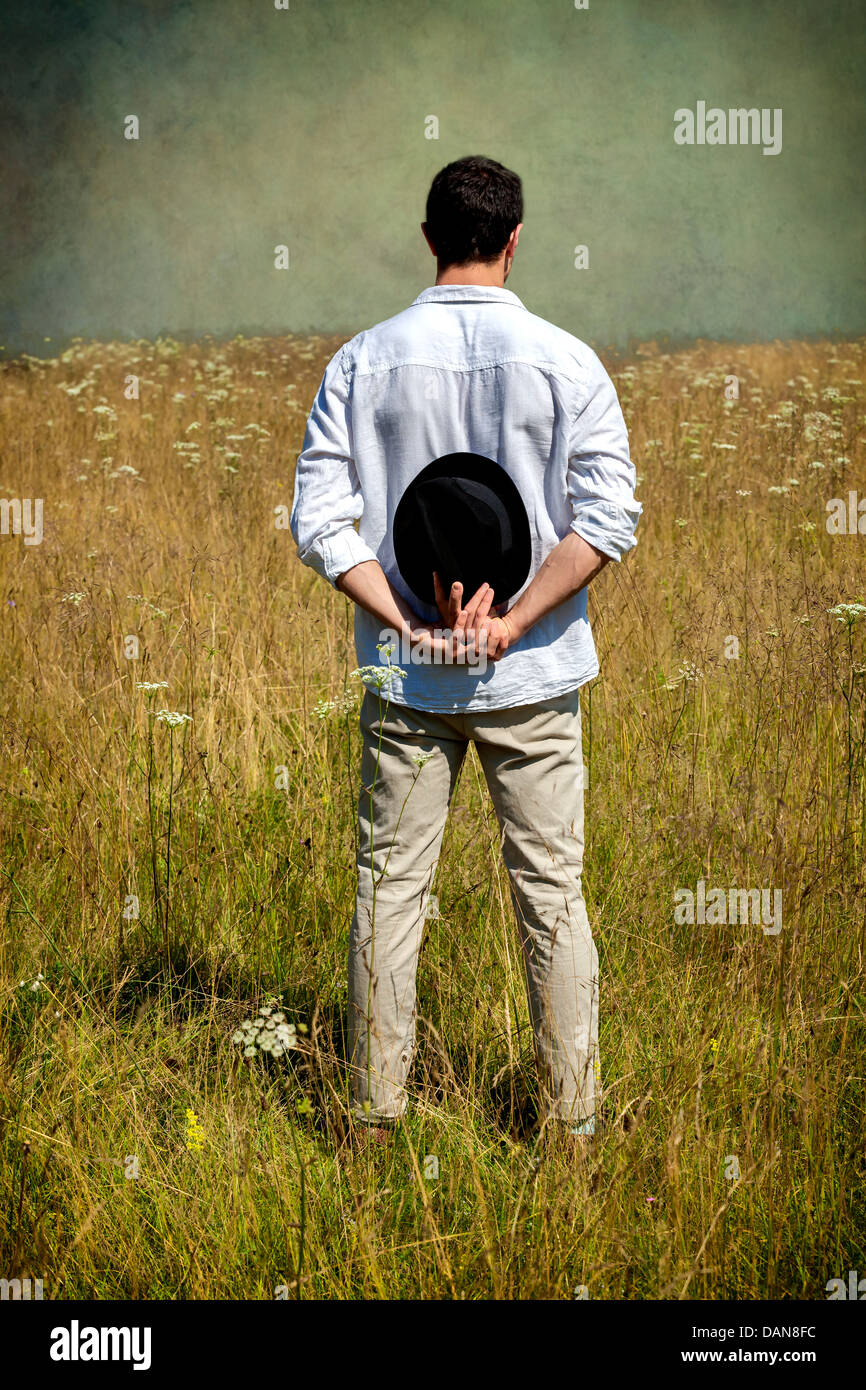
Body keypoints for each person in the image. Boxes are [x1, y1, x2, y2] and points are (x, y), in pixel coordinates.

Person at [291, 154, 642, 1144]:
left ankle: (371, 1121)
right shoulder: (566, 359)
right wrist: (513, 622)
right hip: (530, 678)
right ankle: (572, 1131)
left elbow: (321, 519)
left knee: (388, 891)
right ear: (514, 238)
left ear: (428, 236)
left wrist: (405, 623)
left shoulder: (361, 361)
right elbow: (609, 517)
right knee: (549, 896)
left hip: (408, 680)